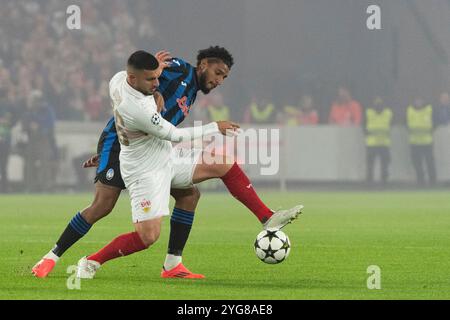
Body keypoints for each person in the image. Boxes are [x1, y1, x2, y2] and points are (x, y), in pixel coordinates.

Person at [32, 47, 303, 279]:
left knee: (195, 190)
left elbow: (142, 84)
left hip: (156, 151)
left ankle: (260, 221)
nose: (220, 80)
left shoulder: (188, 88)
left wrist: (156, 91)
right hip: (124, 150)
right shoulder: (179, 71)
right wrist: (108, 151)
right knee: (103, 207)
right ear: (203, 65)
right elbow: (149, 96)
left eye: (225, 77)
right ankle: (57, 256)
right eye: (218, 73)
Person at [407, 98, 436, 186]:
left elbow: (434, 123)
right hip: (415, 142)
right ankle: (420, 180)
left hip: (427, 142)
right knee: (417, 163)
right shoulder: (410, 111)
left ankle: (432, 180)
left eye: (420, 100)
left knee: (429, 162)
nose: (418, 102)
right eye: (417, 100)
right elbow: (407, 124)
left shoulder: (429, 110)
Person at [364, 97, 393, 185]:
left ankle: (384, 181)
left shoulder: (388, 113)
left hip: (383, 143)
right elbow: (364, 126)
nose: (378, 105)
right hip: (372, 143)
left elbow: (391, 124)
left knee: (385, 164)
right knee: (370, 164)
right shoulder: (369, 113)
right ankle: (369, 181)